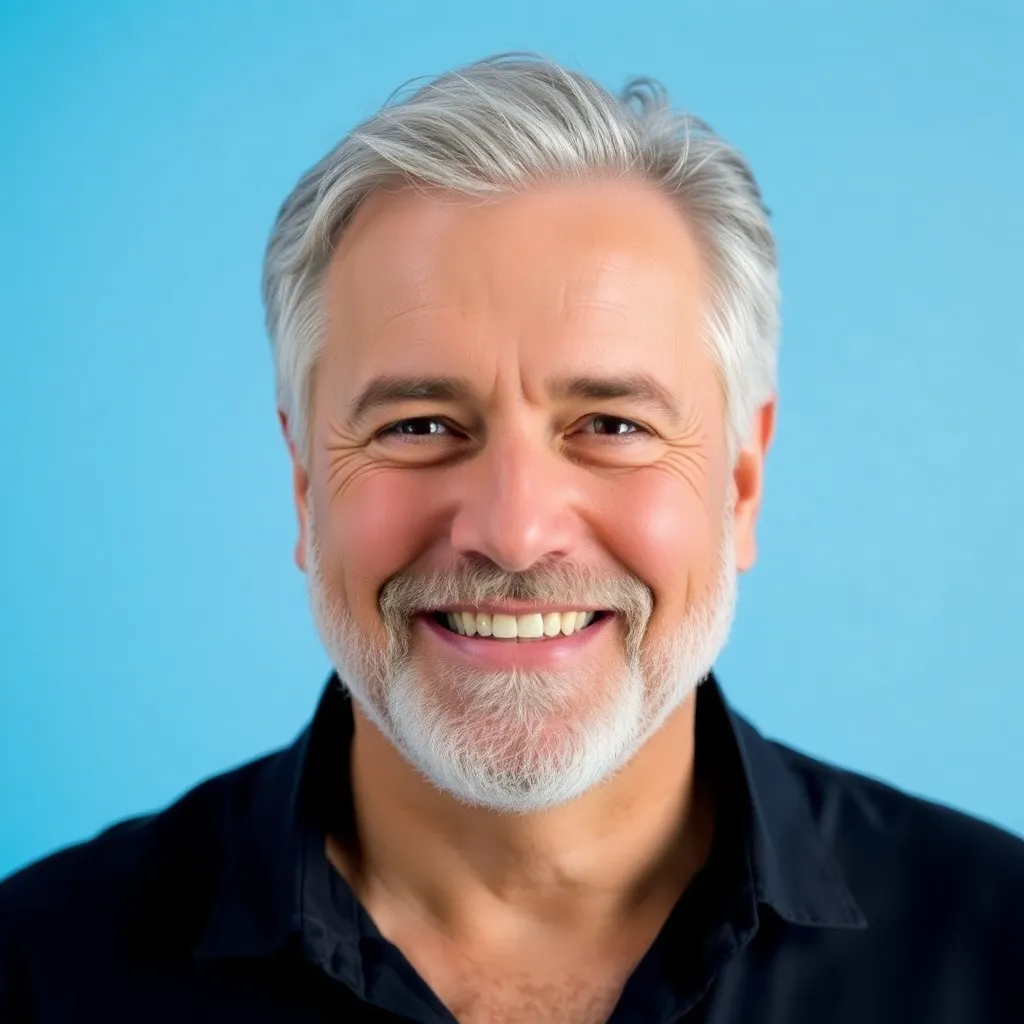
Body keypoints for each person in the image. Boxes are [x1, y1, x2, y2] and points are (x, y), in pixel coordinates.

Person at [1, 52, 1021, 1024]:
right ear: (305, 479)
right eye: (418, 426)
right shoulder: (38, 970)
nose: (513, 532)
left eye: (612, 426)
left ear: (741, 484)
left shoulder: (997, 952)